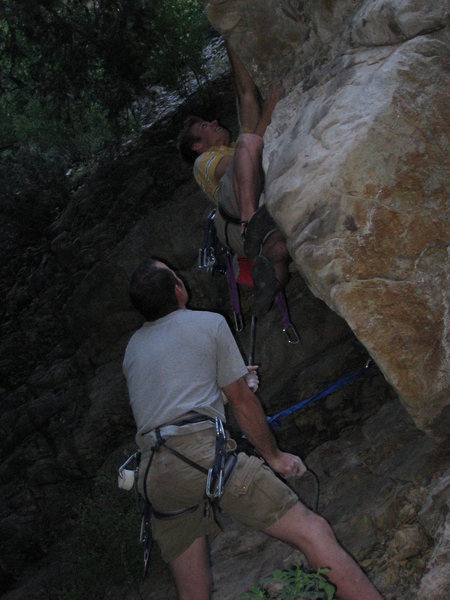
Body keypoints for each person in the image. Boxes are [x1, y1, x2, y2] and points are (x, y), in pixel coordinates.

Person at [122, 257, 384, 600]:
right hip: (201, 458)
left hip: (155, 474)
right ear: (178, 289)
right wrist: (274, 456)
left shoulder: (134, 349)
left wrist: (227, 380)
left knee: (194, 592)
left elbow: (173, 402)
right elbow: (242, 404)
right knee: (311, 530)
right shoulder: (209, 324)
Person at [178, 41, 290, 316]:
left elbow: (246, 93)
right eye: (206, 126)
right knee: (247, 145)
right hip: (236, 216)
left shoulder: (235, 144)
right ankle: (253, 224)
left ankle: (272, 285)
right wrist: (271, 108)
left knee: (278, 250)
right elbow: (241, 161)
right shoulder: (203, 163)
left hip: (251, 220)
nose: (215, 122)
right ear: (197, 146)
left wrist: (230, 37)